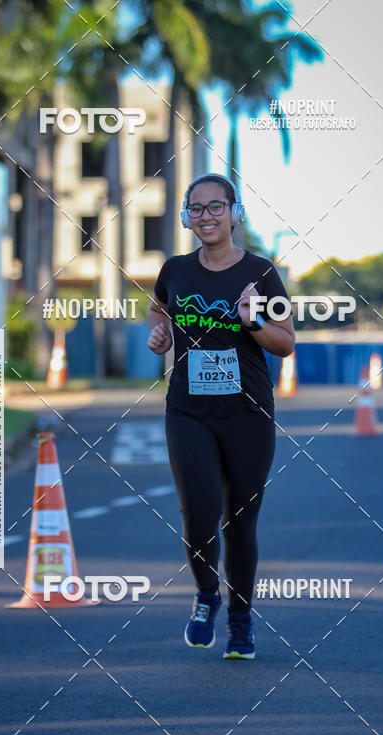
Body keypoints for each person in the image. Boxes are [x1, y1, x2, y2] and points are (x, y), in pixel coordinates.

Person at [147, 173, 294, 659]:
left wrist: (252, 319)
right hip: (188, 410)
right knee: (198, 517)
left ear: (235, 213)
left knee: (239, 525)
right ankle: (207, 594)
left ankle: (240, 619)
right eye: (197, 208)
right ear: (187, 217)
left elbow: (286, 342)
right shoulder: (175, 271)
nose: (206, 216)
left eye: (216, 207)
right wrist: (161, 333)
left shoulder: (260, 273)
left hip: (247, 414)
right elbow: (159, 310)